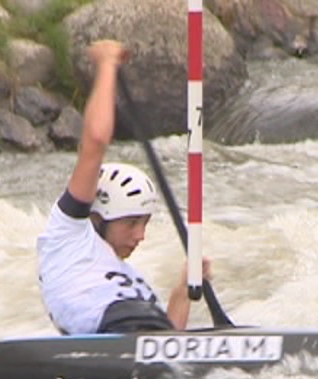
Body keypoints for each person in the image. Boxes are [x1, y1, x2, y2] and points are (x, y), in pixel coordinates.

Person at [37, 40, 209, 335]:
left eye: (143, 224)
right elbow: (95, 142)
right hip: (115, 322)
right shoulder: (68, 236)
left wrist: (182, 291)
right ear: (98, 217)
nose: (140, 236)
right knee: (138, 320)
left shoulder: (134, 281)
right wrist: (107, 65)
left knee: (152, 324)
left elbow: (167, 345)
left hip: (141, 327)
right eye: (131, 223)